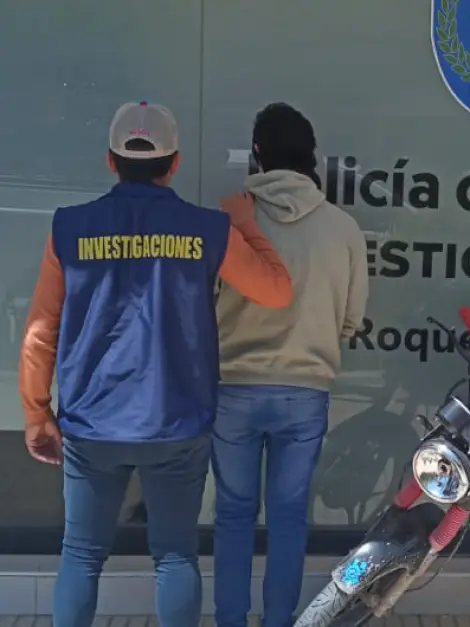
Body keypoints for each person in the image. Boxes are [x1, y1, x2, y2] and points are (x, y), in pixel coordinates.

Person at [18, 101, 293, 627]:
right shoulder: (208, 228)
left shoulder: (70, 227)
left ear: (110, 161)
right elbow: (277, 292)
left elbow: (39, 334)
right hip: (177, 422)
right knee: (174, 555)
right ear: (175, 163)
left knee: (81, 554)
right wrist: (246, 226)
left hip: (91, 423)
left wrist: (36, 413)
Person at [212, 102, 368, 627]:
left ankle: (230, 620)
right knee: (287, 517)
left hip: (232, 387)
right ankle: (280, 620)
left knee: (233, 515)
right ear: (311, 156)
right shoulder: (343, 228)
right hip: (305, 391)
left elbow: (202, 304)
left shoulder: (229, 222)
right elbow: (351, 319)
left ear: (257, 154)